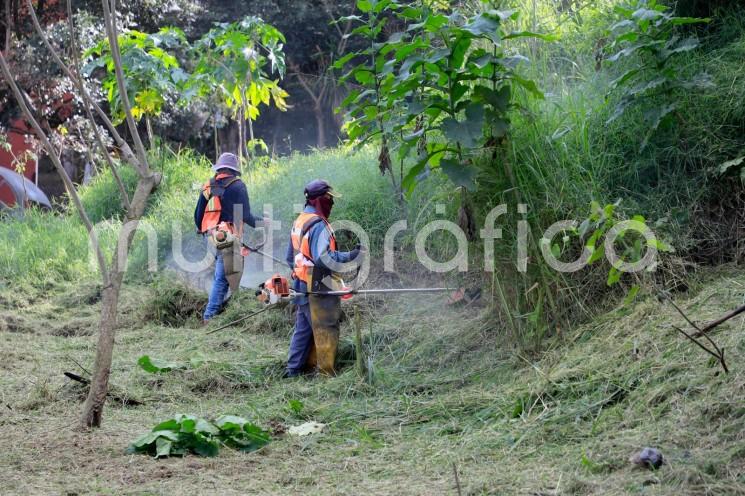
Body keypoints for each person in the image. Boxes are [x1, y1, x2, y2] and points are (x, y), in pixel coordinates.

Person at [284, 179, 363, 377]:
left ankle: (293, 370)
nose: (332, 203)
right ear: (320, 199)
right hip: (317, 286)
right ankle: (327, 374)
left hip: (301, 284)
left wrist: (301, 274)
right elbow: (323, 258)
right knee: (326, 329)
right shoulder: (319, 224)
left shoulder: (300, 220)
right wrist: (352, 255)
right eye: (329, 199)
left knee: (303, 330)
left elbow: (289, 258)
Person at [194, 152, 262, 324]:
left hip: (210, 236)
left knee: (223, 273)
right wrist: (263, 223)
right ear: (233, 170)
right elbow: (245, 215)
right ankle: (209, 317)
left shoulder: (209, 186)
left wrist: (205, 229)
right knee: (224, 276)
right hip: (227, 238)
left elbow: (197, 215)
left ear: (220, 169)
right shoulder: (238, 186)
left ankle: (221, 307)